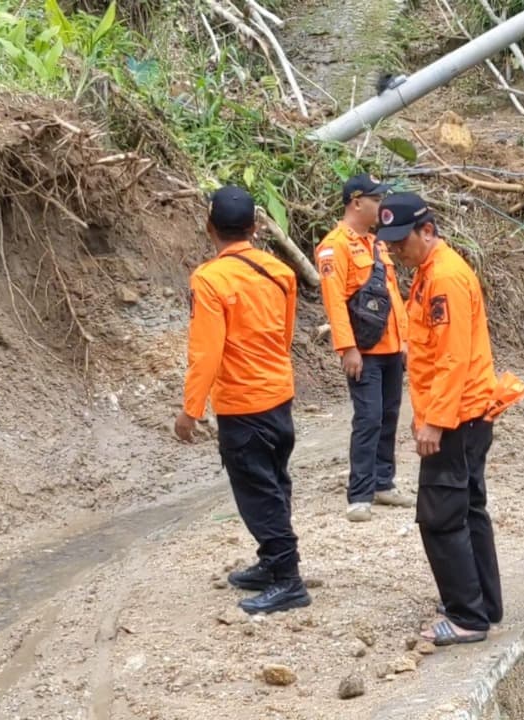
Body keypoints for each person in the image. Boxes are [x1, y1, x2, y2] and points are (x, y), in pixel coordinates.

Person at [175, 185, 310, 615]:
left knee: (258, 492)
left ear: (209, 226)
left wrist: (190, 410)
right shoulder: (280, 273)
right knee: (274, 482)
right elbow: (285, 335)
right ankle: (273, 564)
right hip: (277, 394)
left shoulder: (210, 279)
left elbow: (206, 352)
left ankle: (288, 579)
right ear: (254, 227)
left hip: (241, 403)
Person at [377, 191, 503, 646]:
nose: (394, 249)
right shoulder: (430, 272)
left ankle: (467, 615)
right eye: (388, 242)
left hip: (457, 418)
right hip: (465, 415)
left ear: (426, 231)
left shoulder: (445, 278)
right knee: (468, 509)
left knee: (440, 516)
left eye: (400, 241)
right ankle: (483, 603)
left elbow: (452, 358)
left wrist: (434, 421)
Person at [316, 174, 414, 523]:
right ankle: (360, 493)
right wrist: (347, 348)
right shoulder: (334, 246)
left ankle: (384, 481)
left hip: (390, 348)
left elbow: (392, 296)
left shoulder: (377, 244)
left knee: (389, 415)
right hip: (364, 350)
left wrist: (404, 339)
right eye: (376, 200)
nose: (381, 206)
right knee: (369, 418)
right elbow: (335, 302)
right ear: (357, 202)